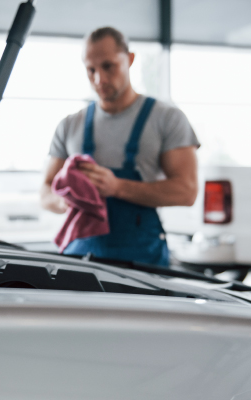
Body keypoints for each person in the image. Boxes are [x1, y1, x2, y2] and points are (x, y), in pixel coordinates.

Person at [40, 27, 199, 267]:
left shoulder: (167, 119)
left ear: (130, 59)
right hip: (79, 261)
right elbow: (45, 191)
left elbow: (186, 191)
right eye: (90, 70)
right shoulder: (69, 125)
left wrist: (116, 187)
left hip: (142, 266)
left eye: (108, 66)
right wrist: (68, 200)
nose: (99, 79)